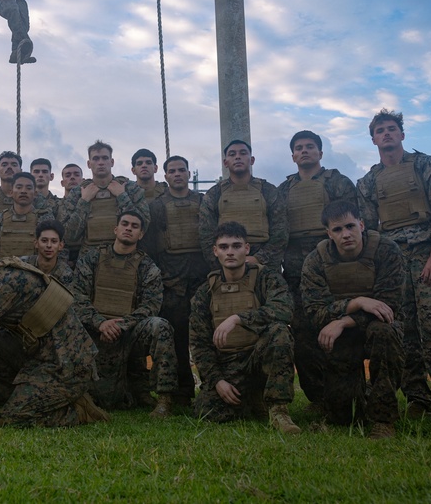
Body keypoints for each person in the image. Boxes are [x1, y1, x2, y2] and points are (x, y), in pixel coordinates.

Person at [356, 108, 431, 423]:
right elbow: (369, 230)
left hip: (426, 256)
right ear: (374, 139)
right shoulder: (369, 181)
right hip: (393, 262)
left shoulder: (426, 166)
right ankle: (417, 399)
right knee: (404, 334)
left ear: (402, 134)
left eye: (392, 129)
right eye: (380, 131)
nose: (387, 134)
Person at [0, 239, 108, 427]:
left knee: (10, 420)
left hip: (66, 366)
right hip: (46, 356)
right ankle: (19, 397)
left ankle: (77, 411)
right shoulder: (1, 269)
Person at [301, 201, 405, 439]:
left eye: (350, 226)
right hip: (343, 337)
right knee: (342, 417)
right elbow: (315, 311)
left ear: (361, 224)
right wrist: (357, 302)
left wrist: (343, 320)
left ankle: (383, 419)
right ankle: (361, 396)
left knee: (384, 332)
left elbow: (390, 306)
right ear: (329, 233)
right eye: (337, 230)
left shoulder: (386, 251)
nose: (345, 234)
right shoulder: (316, 260)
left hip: (378, 328)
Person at [190, 221, 300, 434]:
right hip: (228, 364)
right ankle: (253, 399)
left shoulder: (266, 278)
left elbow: (284, 309)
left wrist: (238, 318)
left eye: (236, 246)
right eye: (224, 247)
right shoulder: (205, 292)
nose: (230, 252)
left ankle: (279, 411)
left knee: (280, 332)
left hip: (259, 359)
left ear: (247, 248)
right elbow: (199, 344)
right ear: (215, 251)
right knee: (207, 411)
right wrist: (218, 381)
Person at [276, 130, 359, 412]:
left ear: (320, 153)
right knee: (303, 335)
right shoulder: (283, 190)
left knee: (339, 333)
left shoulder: (338, 183)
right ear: (293, 156)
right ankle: (318, 399)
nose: (305, 151)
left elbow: (357, 224)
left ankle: (347, 395)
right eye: (299, 148)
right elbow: (277, 230)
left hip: (334, 272)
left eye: (310, 147)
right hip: (296, 275)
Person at [71, 211, 177, 418]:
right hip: (94, 334)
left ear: (141, 234)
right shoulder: (92, 259)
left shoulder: (147, 267)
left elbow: (151, 305)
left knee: (160, 325)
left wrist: (120, 325)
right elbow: (77, 297)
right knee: (107, 398)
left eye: (134, 226)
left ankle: (164, 400)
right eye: (125, 224)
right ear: (116, 229)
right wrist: (100, 323)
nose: (129, 228)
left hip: (129, 334)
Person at [143, 155, 209, 408]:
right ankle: (182, 392)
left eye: (182, 170)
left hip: (201, 281)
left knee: (205, 337)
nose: (178, 174)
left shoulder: (203, 202)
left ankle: (211, 387)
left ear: (189, 173)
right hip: (172, 284)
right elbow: (150, 249)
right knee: (177, 340)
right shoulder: (157, 207)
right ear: (166, 175)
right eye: (172, 171)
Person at [199, 140, 287, 271]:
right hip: (227, 265)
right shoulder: (214, 194)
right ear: (225, 162)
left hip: (264, 266)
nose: (238, 157)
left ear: (251, 160)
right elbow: (206, 235)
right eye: (232, 154)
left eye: (243, 153)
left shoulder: (268, 191)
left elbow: (281, 231)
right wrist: (223, 263)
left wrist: (259, 259)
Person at [58, 141, 149, 261]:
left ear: (112, 162)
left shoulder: (130, 188)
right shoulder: (78, 193)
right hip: (89, 263)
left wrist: (122, 196)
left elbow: (144, 226)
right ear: (89, 164)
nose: (100, 162)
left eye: (105, 158)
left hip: (126, 259)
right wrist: (84, 201)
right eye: (95, 158)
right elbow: (68, 236)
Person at [0, 172, 54, 258]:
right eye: (19, 187)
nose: (23, 191)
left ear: (35, 193)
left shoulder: (44, 220)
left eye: (28, 188)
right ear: (11, 192)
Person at [21, 220, 73, 284]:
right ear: (36, 243)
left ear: (60, 245)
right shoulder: (23, 265)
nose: (49, 245)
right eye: (44, 240)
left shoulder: (66, 274)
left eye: (54, 241)